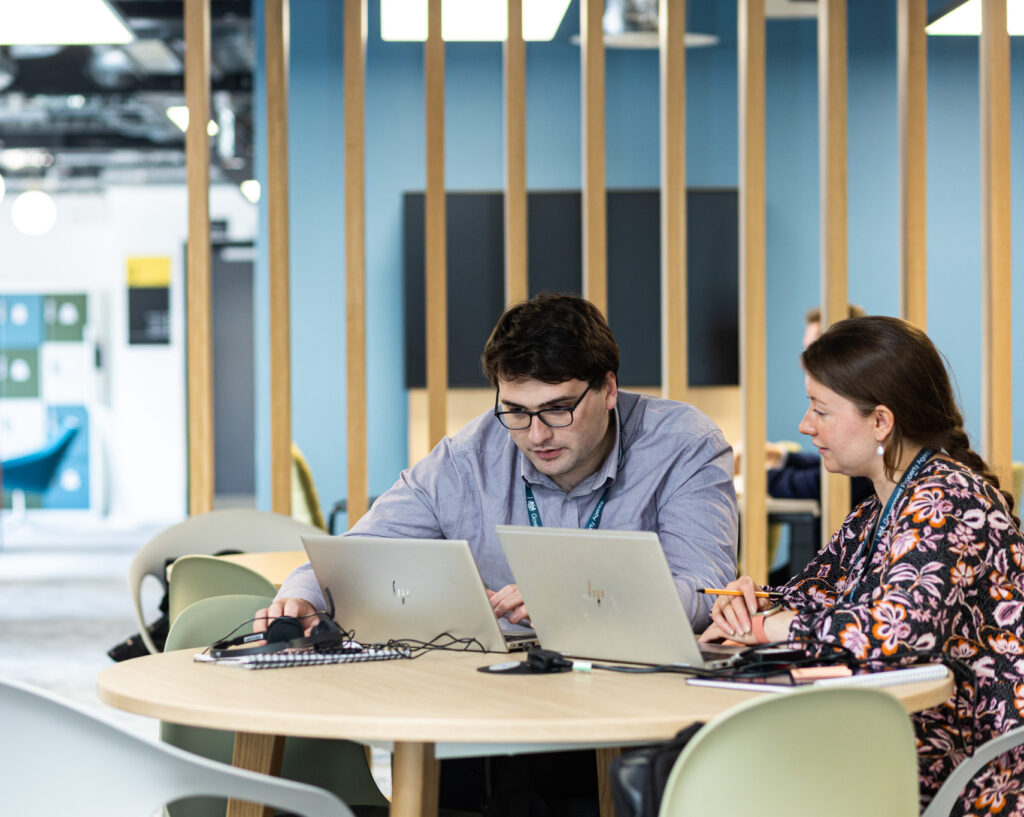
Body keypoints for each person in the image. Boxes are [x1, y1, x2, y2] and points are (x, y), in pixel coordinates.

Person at [261, 292, 738, 815]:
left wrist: (572, 600)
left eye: (558, 409)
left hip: (629, 716)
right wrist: (301, 598)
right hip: (487, 715)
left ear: (607, 389)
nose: (536, 434)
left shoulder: (683, 445)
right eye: (516, 411)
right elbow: (358, 553)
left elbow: (705, 593)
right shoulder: (469, 456)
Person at [700, 315, 1024, 816]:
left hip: (966, 767)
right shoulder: (879, 507)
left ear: (880, 422)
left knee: (722, 770)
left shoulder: (945, 499)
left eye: (820, 410)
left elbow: (901, 630)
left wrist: (765, 628)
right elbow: (812, 594)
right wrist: (752, 603)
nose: (805, 426)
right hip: (896, 739)